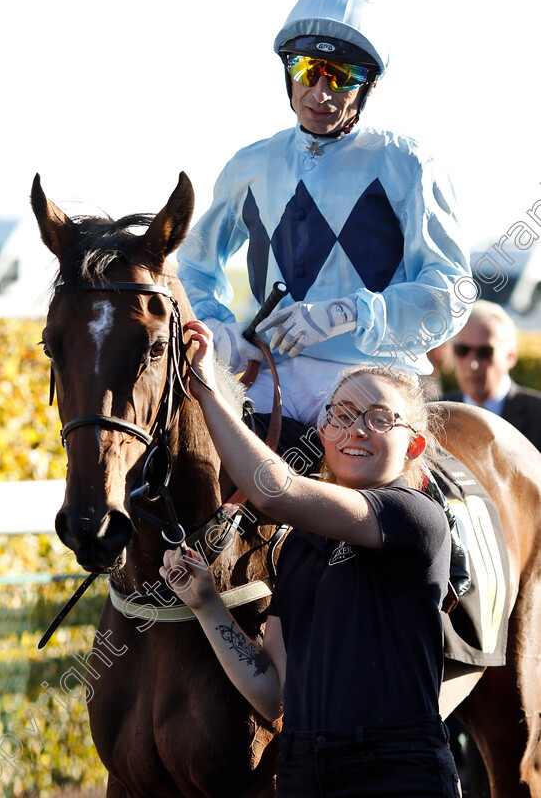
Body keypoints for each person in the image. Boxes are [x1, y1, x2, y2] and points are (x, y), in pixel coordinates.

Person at [159, 320, 460, 798]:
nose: (355, 429)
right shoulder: (300, 544)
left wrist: (208, 391)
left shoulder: (413, 515)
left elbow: (276, 492)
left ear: (414, 446)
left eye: (380, 418)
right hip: (302, 770)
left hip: (397, 769)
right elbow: (273, 694)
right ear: (322, 431)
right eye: (341, 414)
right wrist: (205, 604)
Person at [176, 0, 471, 429]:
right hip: (269, 374)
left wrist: (349, 313)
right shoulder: (249, 164)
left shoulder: (409, 165)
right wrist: (219, 330)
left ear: (368, 85)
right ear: (288, 73)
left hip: (373, 377)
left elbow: (451, 292)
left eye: (341, 75)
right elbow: (193, 266)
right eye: (308, 68)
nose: (320, 91)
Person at [444, 299, 541, 452]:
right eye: (463, 350)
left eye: (485, 352)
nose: (472, 364)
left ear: (510, 357)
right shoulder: (435, 415)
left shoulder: (537, 415)